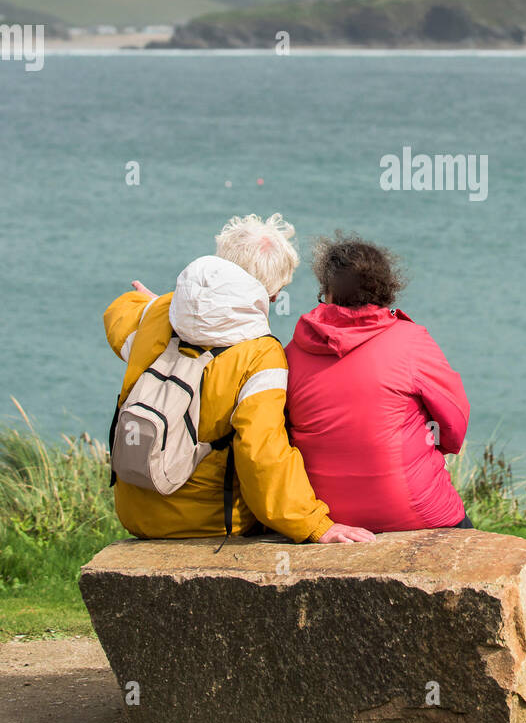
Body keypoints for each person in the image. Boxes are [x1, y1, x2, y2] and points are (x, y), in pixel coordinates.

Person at [104, 214, 375, 545]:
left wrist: (158, 304)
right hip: (209, 522)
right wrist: (315, 525)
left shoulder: (160, 313)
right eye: (277, 290)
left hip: (135, 510)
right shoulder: (260, 354)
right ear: (267, 292)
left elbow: (118, 315)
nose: (275, 299)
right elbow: (262, 452)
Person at [284, 234, 471, 532]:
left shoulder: (292, 352)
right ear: (386, 288)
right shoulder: (411, 341)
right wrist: (432, 448)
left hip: (326, 516)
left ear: (328, 292)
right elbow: (455, 422)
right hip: (413, 512)